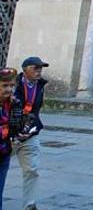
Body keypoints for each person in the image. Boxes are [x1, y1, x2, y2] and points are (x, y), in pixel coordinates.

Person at [13, 57, 48, 210]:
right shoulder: (12, 85)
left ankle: (30, 204)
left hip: (30, 134)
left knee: (32, 169)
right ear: (25, 69)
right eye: (35, 68)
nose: (39, 71)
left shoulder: (40, 85)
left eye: (41, 68)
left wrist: (31, 128)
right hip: (9, 134)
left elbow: (35, 110)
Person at [0, 68, 24, 210]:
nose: (9, 89)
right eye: (4, 85)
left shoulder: (14, 103)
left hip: (4, 153)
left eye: (11, 85)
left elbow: (15, 126)